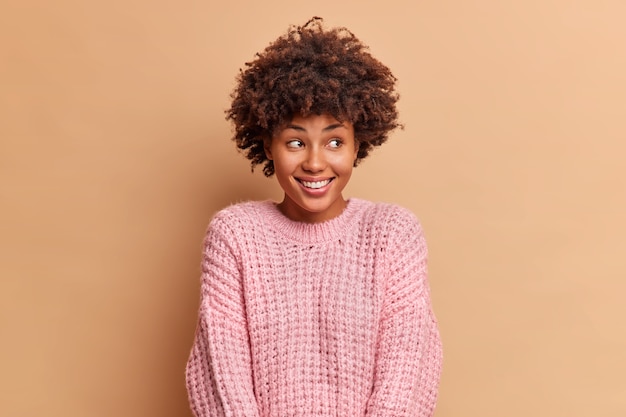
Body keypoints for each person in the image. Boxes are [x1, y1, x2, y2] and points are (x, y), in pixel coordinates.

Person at [185, 17, 443, 417]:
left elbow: (406, 374)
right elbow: (221, 375)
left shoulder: (393, 234)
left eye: (335, 141)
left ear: (359, 145)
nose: (315, 162)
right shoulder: (235, 235)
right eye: (295, 141)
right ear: (268, 145)